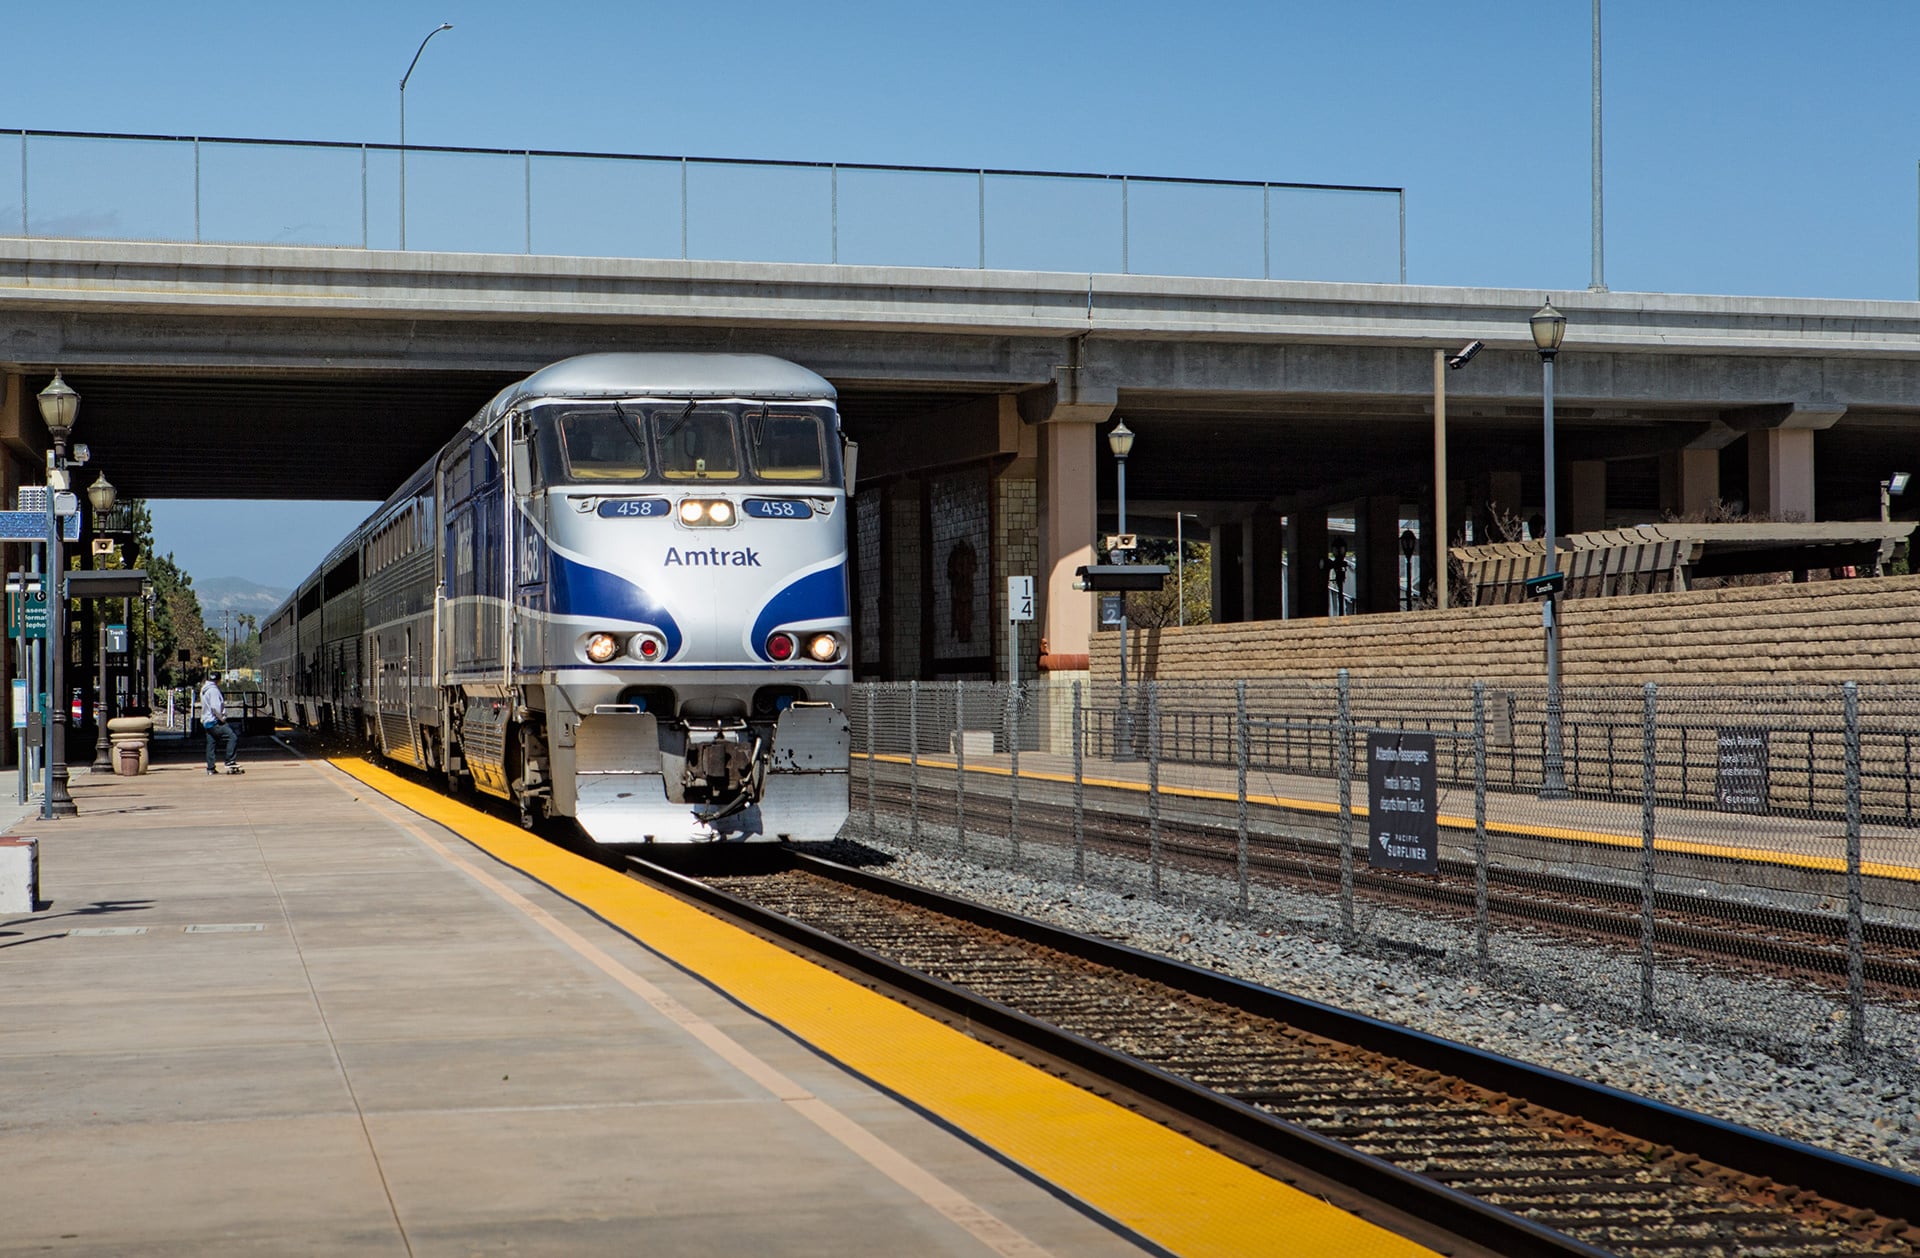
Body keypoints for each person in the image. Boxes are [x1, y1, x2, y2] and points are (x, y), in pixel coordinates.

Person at [199, 671, 242, 776]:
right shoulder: (214, 690)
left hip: (207, 721)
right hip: (215, 721)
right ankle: (230, 761)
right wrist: (222, 718)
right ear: (219, 680)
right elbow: (215, 707)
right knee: (232, 737)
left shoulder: (204, 689)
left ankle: (210, 768)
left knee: (211, 744)